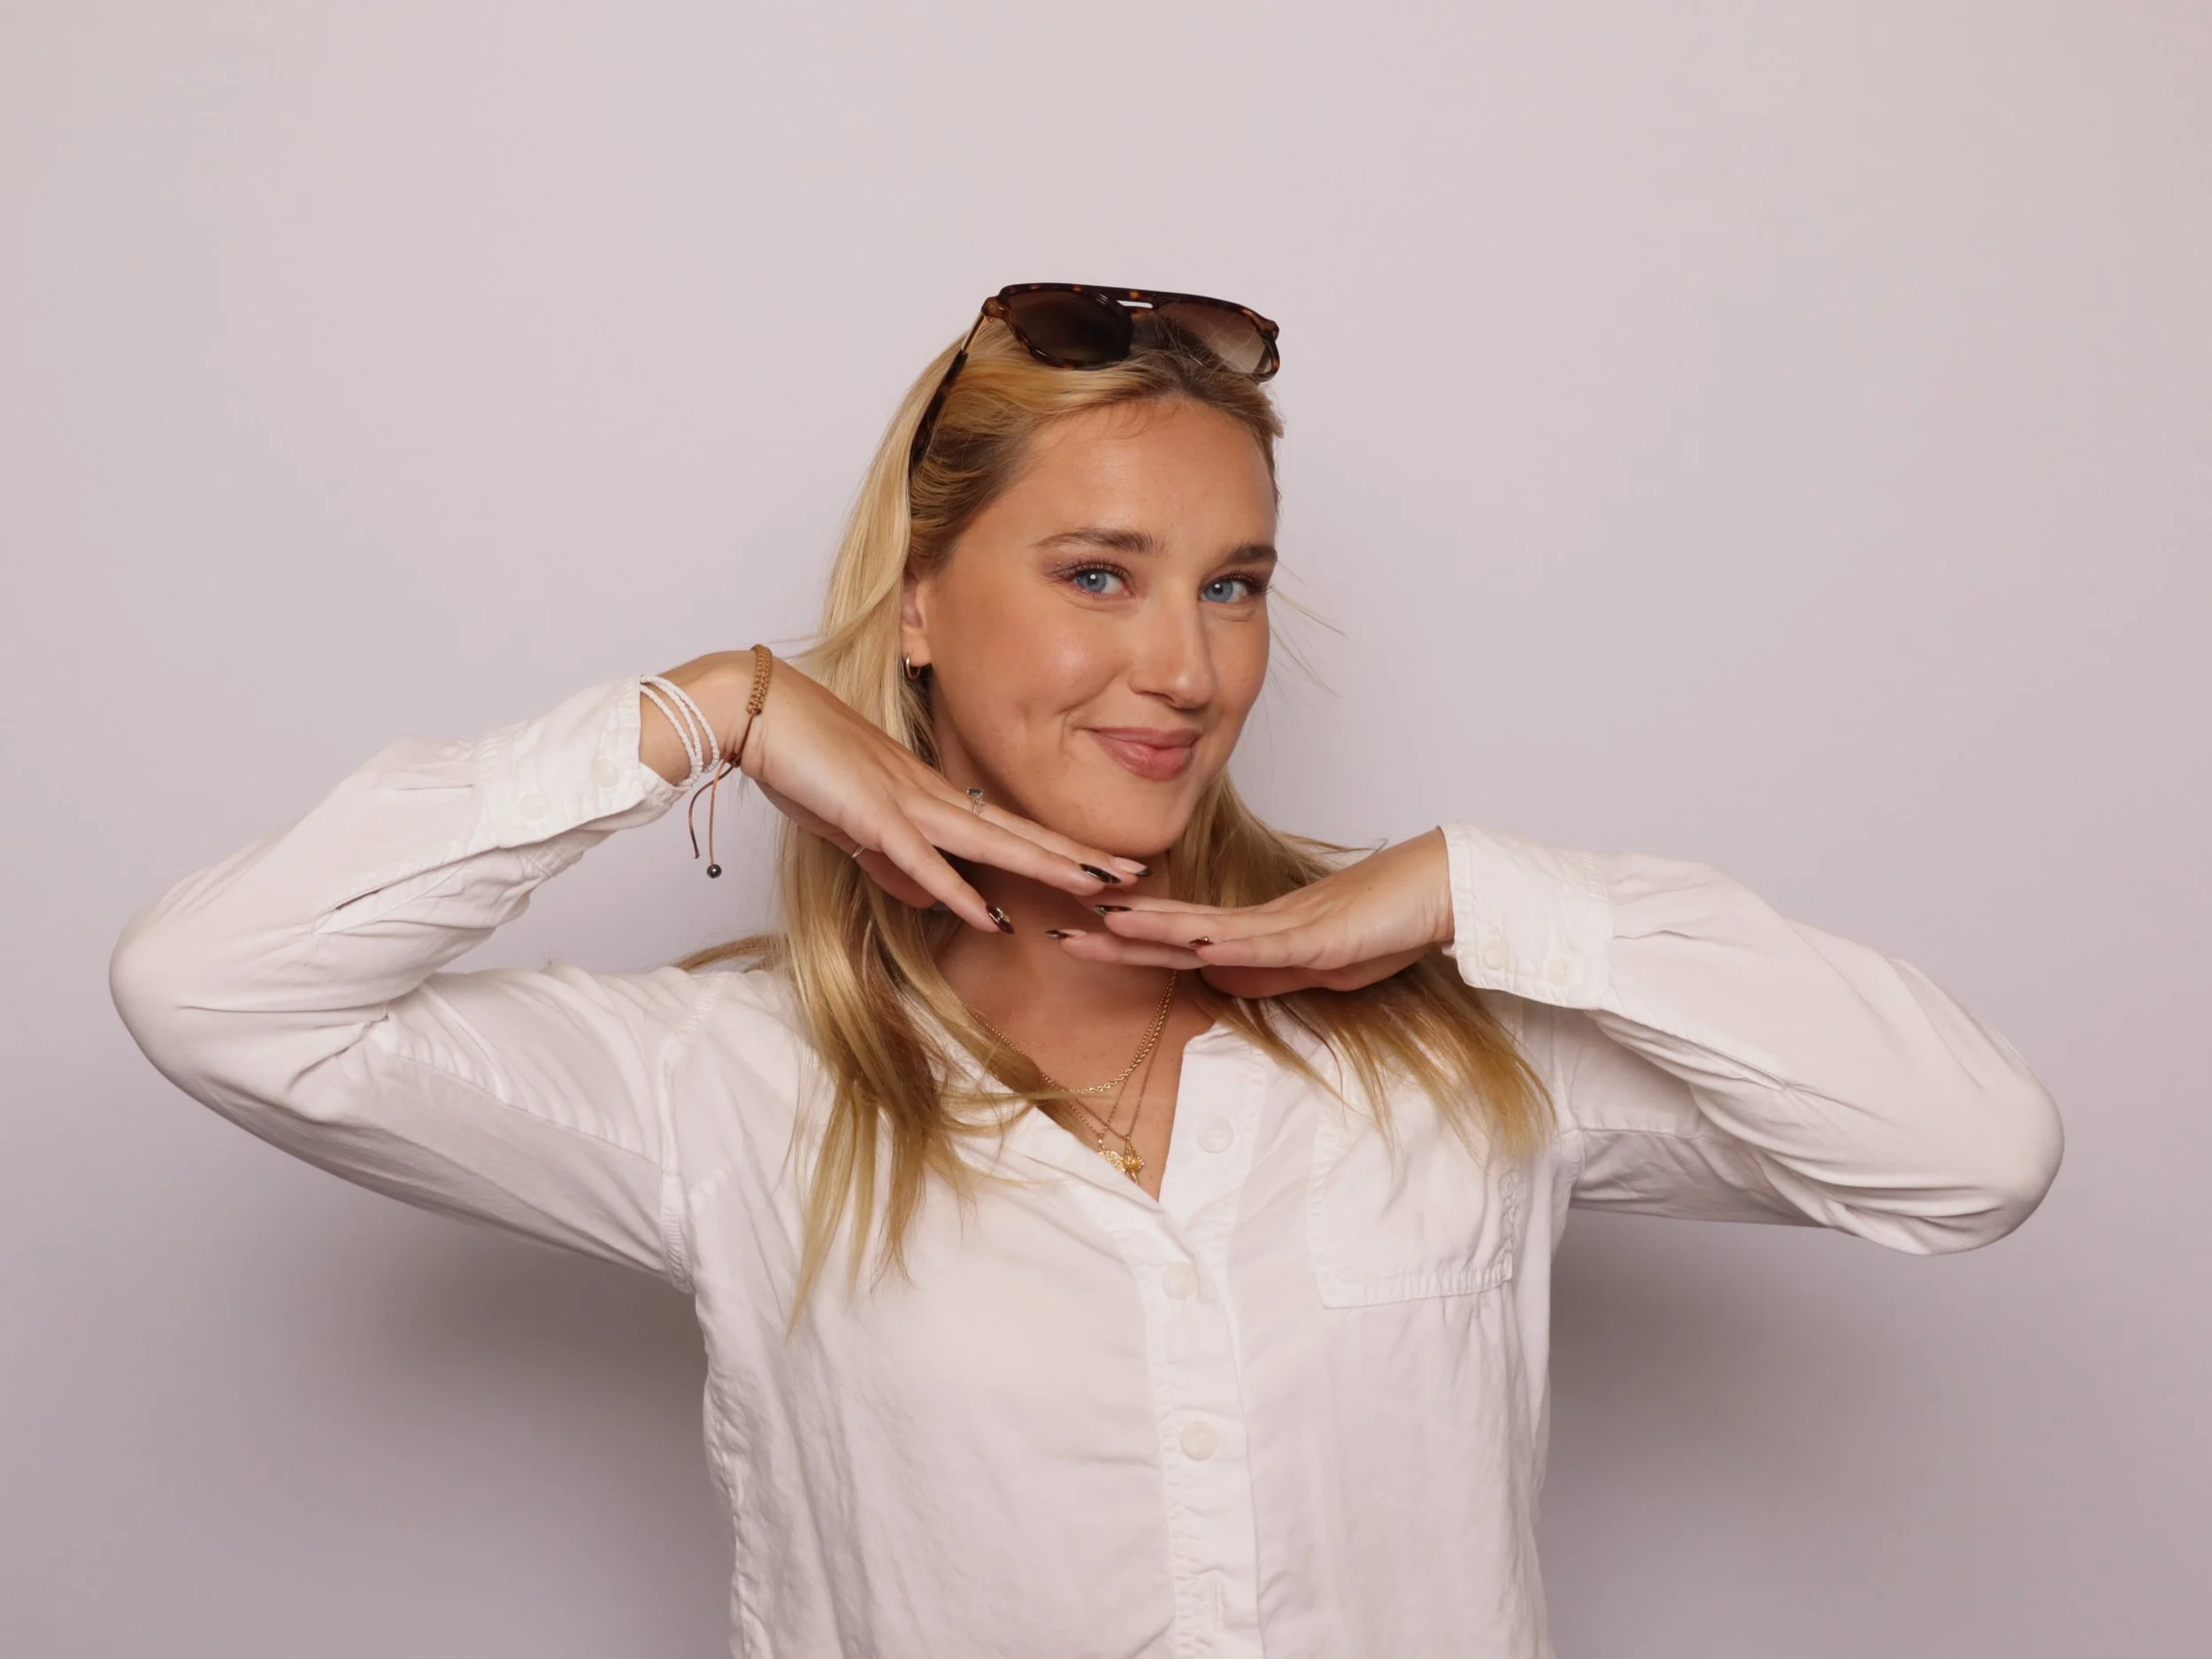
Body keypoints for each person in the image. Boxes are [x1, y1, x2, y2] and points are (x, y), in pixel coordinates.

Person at [108, 282, 2065, 1659]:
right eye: (1098, 573)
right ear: (923, 612)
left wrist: (1484, 888)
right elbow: (220, 989)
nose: (1186, 668)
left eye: (1232, 584)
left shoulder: (1464, 1048)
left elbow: (1965, 1151)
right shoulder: (727, 1087)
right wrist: (702, 715)